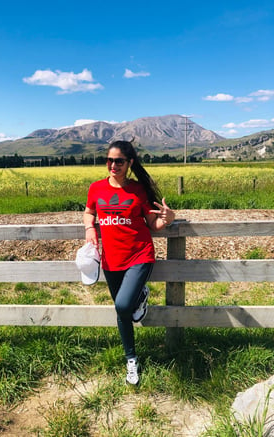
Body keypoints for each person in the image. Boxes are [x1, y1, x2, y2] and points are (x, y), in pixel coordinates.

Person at [83, 140, 175, 385]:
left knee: (123, 305)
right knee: (122, 313)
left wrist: (168, 219)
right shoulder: (96, 188)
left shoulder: (138, 190)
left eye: (119, 161)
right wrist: (89, 228)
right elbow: (89, 211)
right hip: (110, 259)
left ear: (129, 163)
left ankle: (140, 296)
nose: (113, 165)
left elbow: (152, 224)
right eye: (109, 160)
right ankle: (131, 360)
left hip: (139, 254)